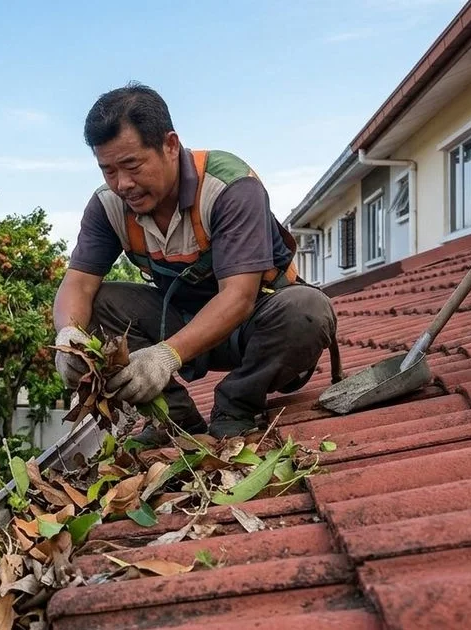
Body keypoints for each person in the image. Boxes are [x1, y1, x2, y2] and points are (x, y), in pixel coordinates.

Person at [52, 82, 340, 441]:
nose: (122, 183)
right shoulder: (107, 206)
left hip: (256, 327)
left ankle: (237, 405)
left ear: (170, 146)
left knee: (308, 309)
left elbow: (238, 297)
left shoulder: (229, 187)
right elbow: (78, 284)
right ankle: (174, 421)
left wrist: (166, 356)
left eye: (132, 165)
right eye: (108, 170)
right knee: (95, 307)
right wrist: (68, 337)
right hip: (179, 319)